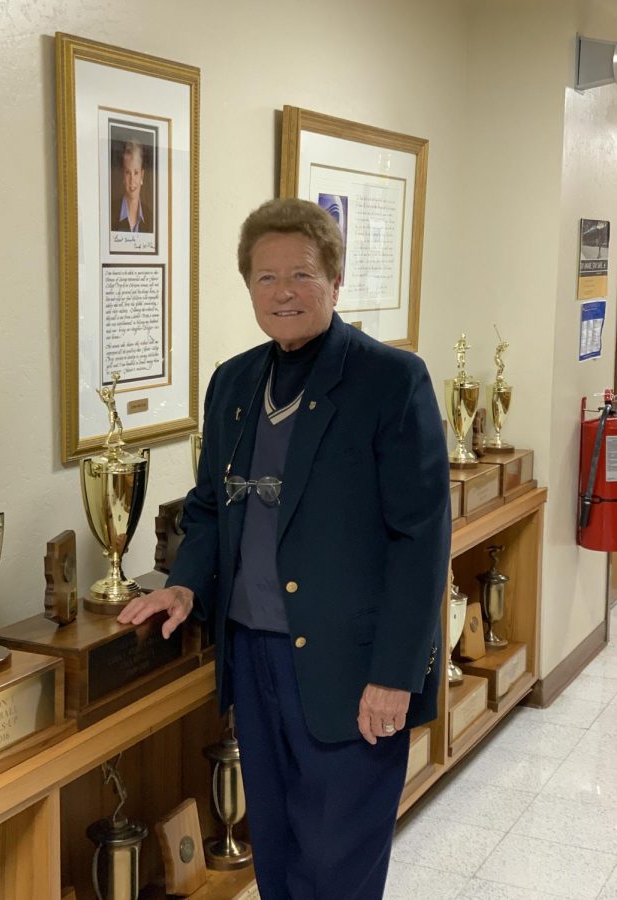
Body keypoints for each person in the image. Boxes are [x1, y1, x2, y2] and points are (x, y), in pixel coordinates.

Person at [118, 198, 451, 899]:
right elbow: (211, 506)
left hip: (352, 669)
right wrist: (185, 584)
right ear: (248, 289)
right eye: (265, 279)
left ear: (335, 279)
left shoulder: (391, 380)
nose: (283, 293)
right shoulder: (234, 381)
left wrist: (395, 673)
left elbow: (420, 540)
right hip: (256, 662)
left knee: (336, 863)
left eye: (300, 274)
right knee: (276, 853)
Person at [111, 140, 152, 233]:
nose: (132, 180)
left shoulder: (151, 217)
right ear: (123, 176)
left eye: (136, 173)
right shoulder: (110, 213)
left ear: (142, 175)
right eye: (128, 173)